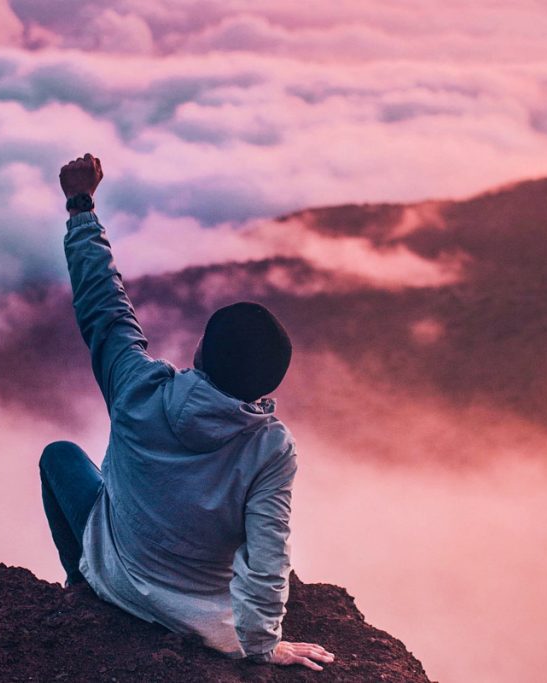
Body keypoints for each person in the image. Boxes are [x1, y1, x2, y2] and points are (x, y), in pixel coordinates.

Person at [38, 153, 334, 671]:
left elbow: (104, 307)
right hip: (200, 618)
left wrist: (81, 207)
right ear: (268, 384)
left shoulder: (137, 387)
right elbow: (269, 559)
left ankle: (80, 582)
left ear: (201, 353)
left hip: (116, 577)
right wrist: (263, 647)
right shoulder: (270, 448)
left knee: (60, 456)